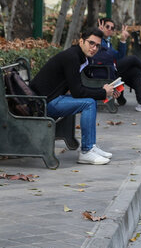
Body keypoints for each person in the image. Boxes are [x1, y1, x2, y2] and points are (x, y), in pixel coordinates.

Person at [30, 27, 116, 164]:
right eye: (91, 43)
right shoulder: (72, 57)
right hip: (43, 103)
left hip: (50, 98)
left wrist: (101, 91)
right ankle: (87, 151)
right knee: (89, 103)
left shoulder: (80, 57)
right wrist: (102, 92)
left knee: (89, 101)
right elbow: (78, 92)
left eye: (97, 46)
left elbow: (77, 88)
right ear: (81, 41)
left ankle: (91, 147)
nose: (94, 48)